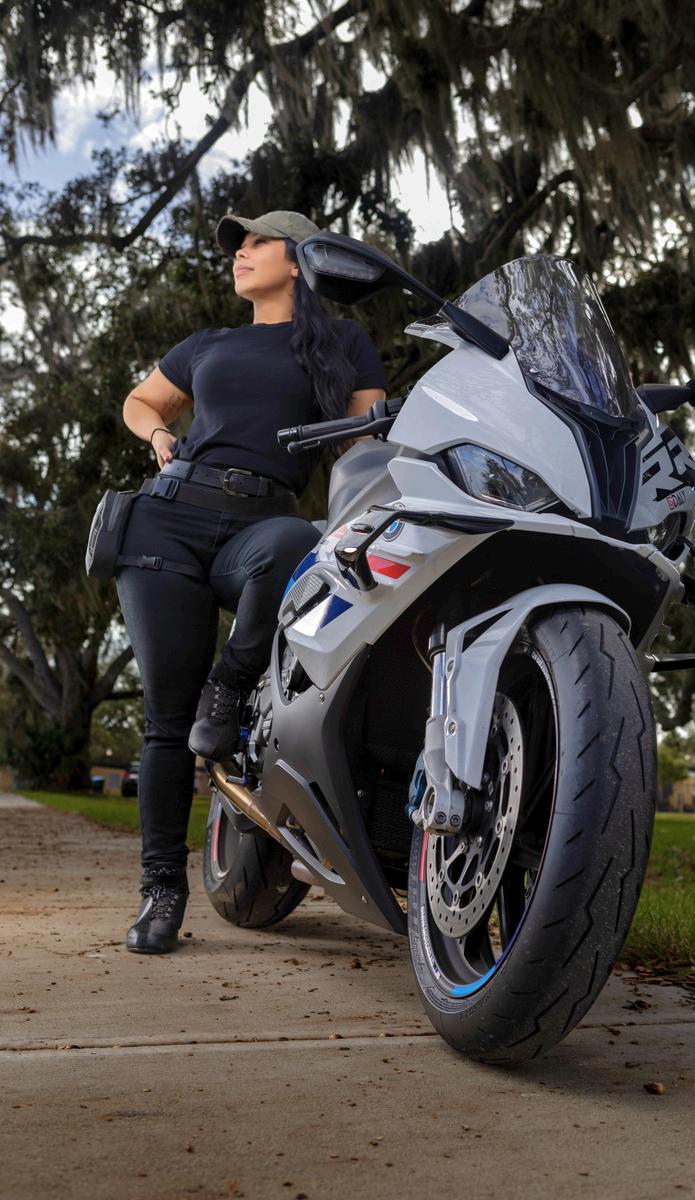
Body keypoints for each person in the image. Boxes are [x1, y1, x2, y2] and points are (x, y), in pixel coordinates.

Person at [117, 210, 386, 954]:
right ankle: (162, 890)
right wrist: (161, 436)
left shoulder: (342, 344)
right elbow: (141, 401)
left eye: (258, 241)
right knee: (166, 720)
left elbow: (366, 449)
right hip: (166, 521)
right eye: (238, 244)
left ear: (299, 261)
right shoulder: (208, 343)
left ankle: (230, 682)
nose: (241, 252)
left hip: (262, 522)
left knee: (295, 543)